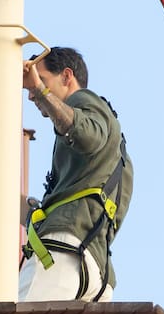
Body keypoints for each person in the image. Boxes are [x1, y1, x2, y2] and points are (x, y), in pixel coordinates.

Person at [20, 47, 133, 301]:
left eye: (41, 79)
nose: (30, 94)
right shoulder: (116, 155)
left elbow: (86, 135)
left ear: (66, 76)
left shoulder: (84, 102)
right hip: (95, 270)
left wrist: (40, 90)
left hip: (62, 253)